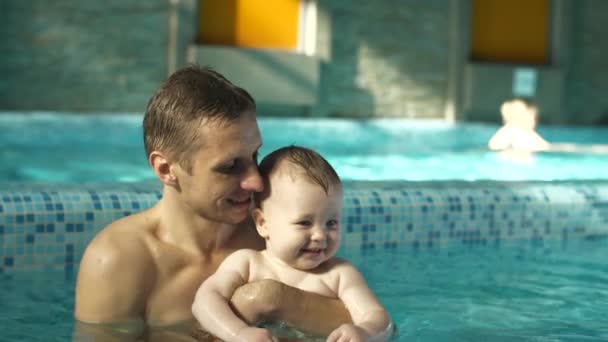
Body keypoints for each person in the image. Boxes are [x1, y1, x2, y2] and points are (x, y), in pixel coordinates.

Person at [73, 66, 350, 341]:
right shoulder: (119, 261)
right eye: (230, 166)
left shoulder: (275, 235)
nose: (256, 182)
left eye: (255, 156)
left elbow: (367, 325)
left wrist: (270, 299)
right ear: (166, 169)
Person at [192, 146, 393, 342]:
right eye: (304, 223)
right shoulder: (247, 263)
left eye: (331, 223)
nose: (320, 235)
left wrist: (364, 332)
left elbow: (377, 317)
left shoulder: (339, 274)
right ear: (263, 223)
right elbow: (205, 301)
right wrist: (239, 333)